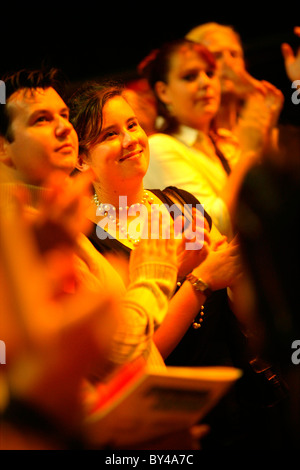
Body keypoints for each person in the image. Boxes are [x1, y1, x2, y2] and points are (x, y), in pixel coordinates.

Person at [68, 80, 288, 449]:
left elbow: (241, 307)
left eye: (133, 125)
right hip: (174, 420)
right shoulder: (88, 242)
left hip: (242, 396)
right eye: (109, 134)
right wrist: (197, 280)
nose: (130, 140)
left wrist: (235, 275)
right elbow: (131, 358)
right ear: (80, 157)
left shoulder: (177, 202)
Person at [141, 38, 282, 239]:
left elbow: (275, 202)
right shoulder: (159, 148)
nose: (205, 83)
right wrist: (249, 152)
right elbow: (214, 228)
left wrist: (266, 131)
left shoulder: (223, 141)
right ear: (163, 92)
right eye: (189, 77)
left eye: (210, 73)